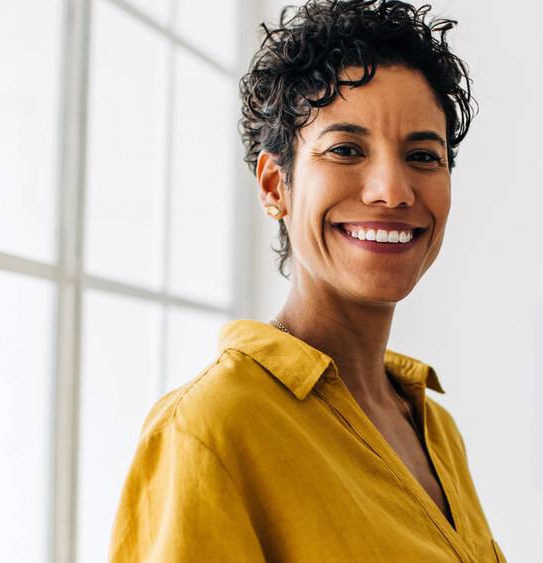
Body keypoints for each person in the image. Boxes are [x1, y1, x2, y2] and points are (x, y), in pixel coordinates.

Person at [109, 1, 506, 561]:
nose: (392, 190)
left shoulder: (433, 427)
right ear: (275, 186)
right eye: (346, 149)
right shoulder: (212, 427)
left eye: (423, 155)